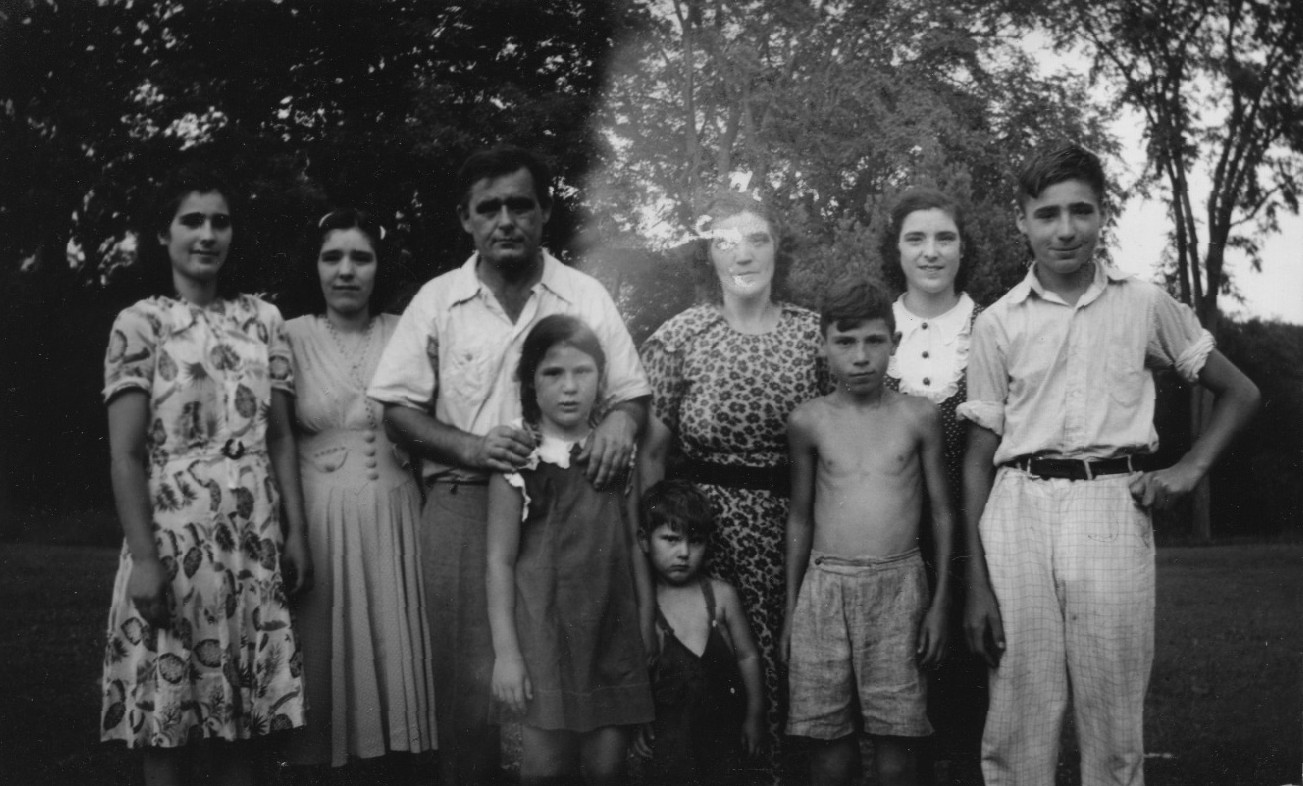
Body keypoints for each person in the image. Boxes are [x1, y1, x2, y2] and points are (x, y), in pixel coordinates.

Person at [959, 143, 1260, 786]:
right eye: (1047, 214)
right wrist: (976, 580)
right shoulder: (996, 322)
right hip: (1018, 510)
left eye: (1081, 211)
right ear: (1022, 221)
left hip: (1109, 507)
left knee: (1113, 717)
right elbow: (979, 458)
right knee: (1018, 714)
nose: (1065, 229)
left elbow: (1240, 391)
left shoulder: (1143, 303)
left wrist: (1188, 470)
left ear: (1103, 213)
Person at [368, 145, 650, 786]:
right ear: (465, 219)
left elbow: (631, 392)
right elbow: (397, 411)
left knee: (573, 681)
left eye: (520, 206)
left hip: (572, 508)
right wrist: (471, 448)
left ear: (544, 211)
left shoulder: (584, 294)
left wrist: (619, 423)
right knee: (472, 693)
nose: (505, 221)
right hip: (467, 503)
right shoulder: (439, 300)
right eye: (488, 208)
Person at [100, 165, 312, 786]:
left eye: (220, 221)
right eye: (191, 221)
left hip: (252, 540)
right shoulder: (140, 323)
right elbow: (125, 455)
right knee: (167, 719)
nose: (208, 234)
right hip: (172, 538)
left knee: (240, 723)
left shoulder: (264, 320)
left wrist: (297, 532)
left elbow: (280, 436)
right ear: (163, 234)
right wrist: (145, 559)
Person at [640, 191, 827, 775]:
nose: (743, 254)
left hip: (792, 533)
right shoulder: (680, 337)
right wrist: (650, 556)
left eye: (758, 239)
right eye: (726, 242)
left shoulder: (814, 336)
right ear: (709, 256)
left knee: (789, 671)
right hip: (703, 537)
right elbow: (651, 455)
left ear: (778, 250)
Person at [781, 277, 954, 786]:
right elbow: (800, 516)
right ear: (823, 345)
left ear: (894, 343)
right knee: (826, 742)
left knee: (897, 741)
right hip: (824, 588)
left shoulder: (919, 416)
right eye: (845, 341)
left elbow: (942, 513)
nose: (861, 356)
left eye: (874, 341)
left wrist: (940, 603)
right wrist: (792, 610)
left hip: (899, 587)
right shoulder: (808, 421)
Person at [281, 209, 437, 776]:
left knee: (396, 650)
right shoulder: (289, 335)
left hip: (398, 517)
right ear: (315, 266)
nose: (346, 271)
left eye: (361, 258)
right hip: (320, 521)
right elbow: (275, 438)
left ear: (379, 267)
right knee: (326, 655)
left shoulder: (407, 331)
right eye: (332, 257)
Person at [483, 314, 654, 785]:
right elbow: (498, 561)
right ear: (530, 383)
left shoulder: (616, 452)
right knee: (545, 768)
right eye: (553, 373)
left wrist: (645, 622)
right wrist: (507, 655)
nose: (569, 387)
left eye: (583, 372)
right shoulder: (519, 456)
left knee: (606, 767)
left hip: (610, 633)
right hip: (545, 637)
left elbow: (633, 544)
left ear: (601, 379)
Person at [880, 187, 985, 784]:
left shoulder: (991, 328)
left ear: (963, 248)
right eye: (915, 238)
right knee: (895, 711)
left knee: (968, 710)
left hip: (975, 539)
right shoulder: (871, 333)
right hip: (890, 542)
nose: (931, 251)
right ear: (895, 250)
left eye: (945, 237)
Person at [633, 479, 765, 786]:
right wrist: (638, 720)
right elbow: (635, 673)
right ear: (644, 540)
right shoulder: (645, 608)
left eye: (695, 541)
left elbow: (747, 656)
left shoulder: (721, 596)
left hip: (724, 741)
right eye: (671, 539)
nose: (683, 552)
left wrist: (756, 714)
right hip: (671, 745)